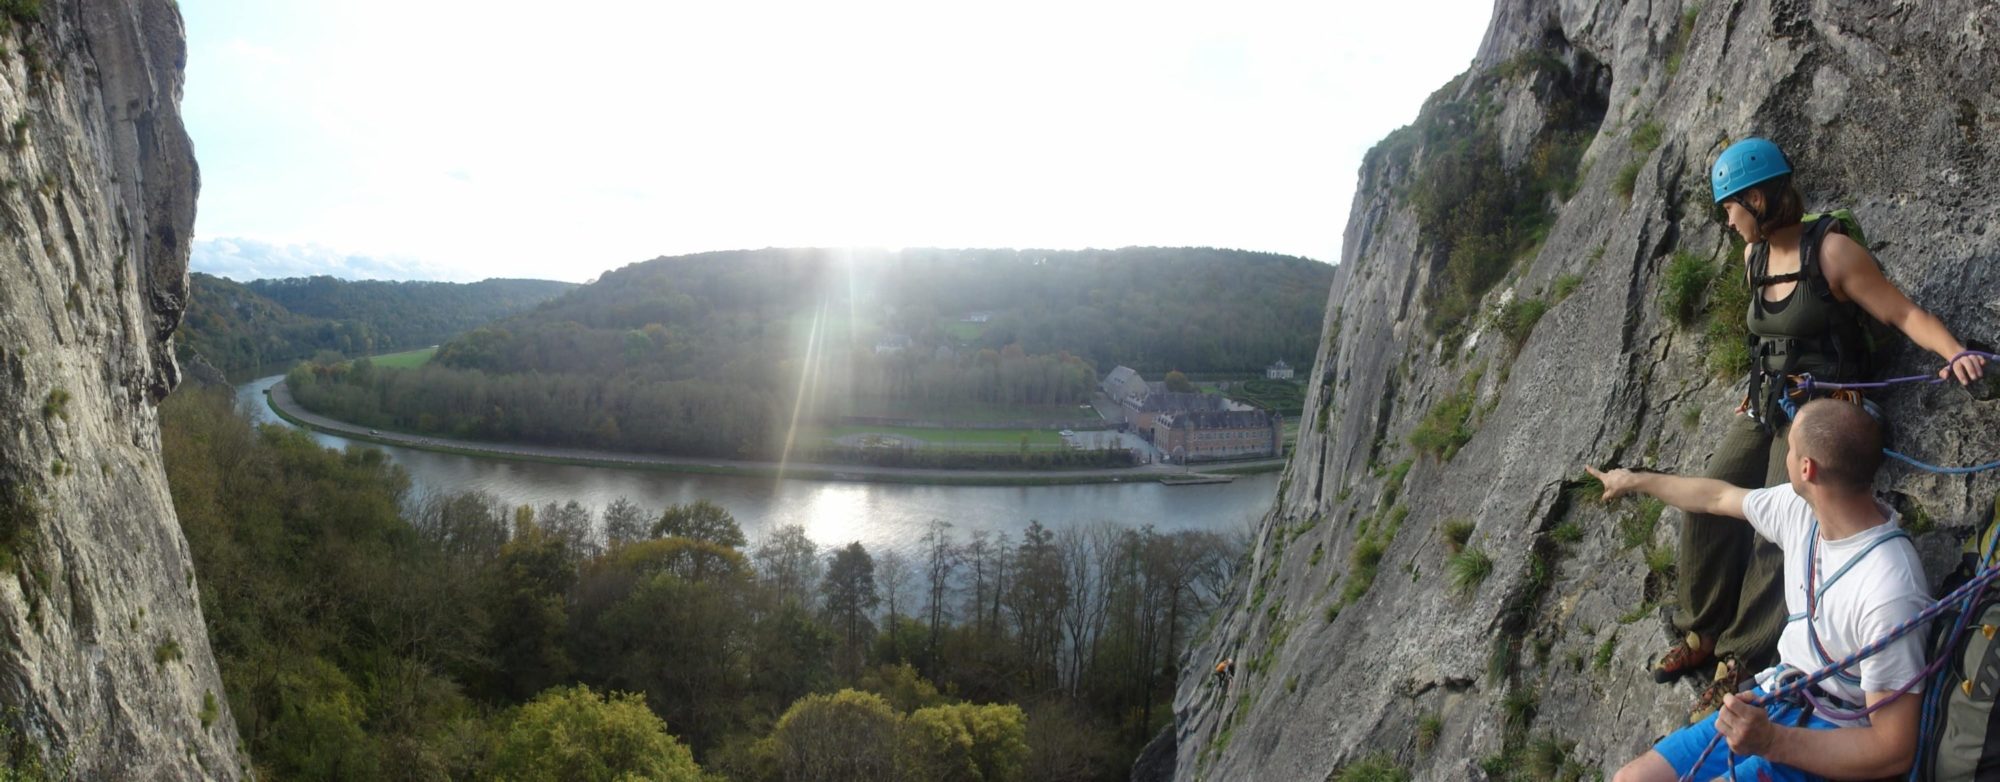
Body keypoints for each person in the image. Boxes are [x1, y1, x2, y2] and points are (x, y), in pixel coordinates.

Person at [1655, 137, 1984, 719]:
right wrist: (1751, 389)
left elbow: (1901, 312)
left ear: (1758, 198)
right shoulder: (1753, 257)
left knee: (1776, 516)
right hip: (1768, 400)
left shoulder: (1832, 253)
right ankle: (1700, 627)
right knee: (1708, 493)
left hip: (1827, 407)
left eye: (1730, 206)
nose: (1726, 220)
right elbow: (1764, 334)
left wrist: (1954, 351)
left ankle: (1742, 653)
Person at [1600, 399, 1928, 782]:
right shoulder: (1801, 510)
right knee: (1632, 779)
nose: (1783, 453)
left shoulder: (1889, 590)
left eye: (1789, 447)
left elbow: (1892, 751)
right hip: (1778, 695)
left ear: (1808, 469)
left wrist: (1772, 741)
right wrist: (1635, 480)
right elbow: (1716, 497)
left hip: (1836, 730)